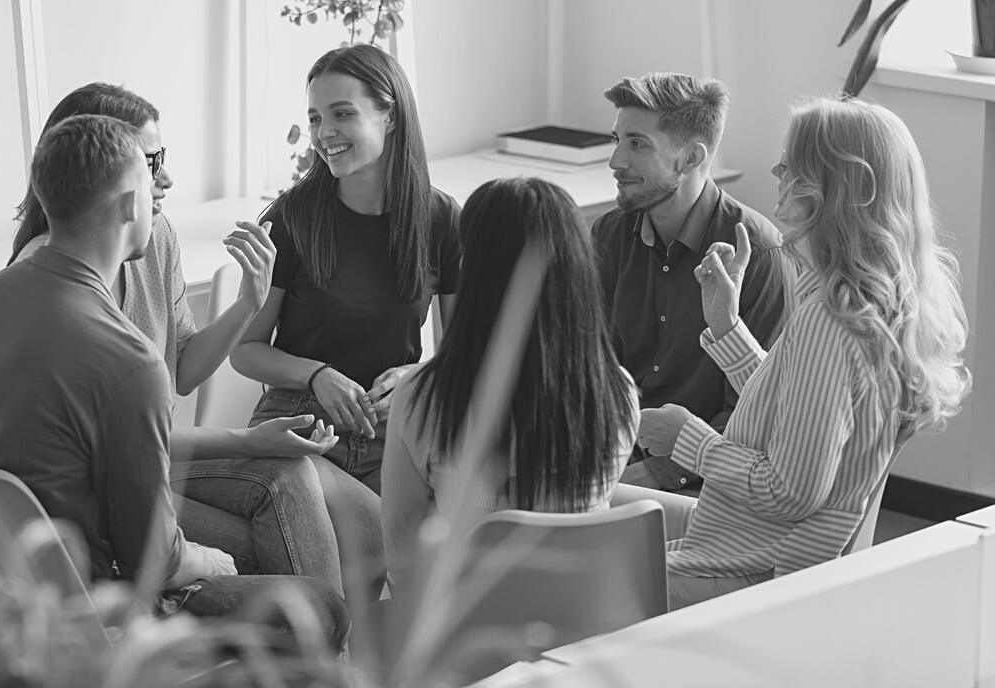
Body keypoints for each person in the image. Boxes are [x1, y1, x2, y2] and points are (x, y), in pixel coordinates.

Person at [0, 114, 347, 643]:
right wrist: (204, 559)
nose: (161, 193)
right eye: (151, 184)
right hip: (89, 612)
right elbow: (154, 562)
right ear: (130, 205)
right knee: (321, 608)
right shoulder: (129, 364)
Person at [9, 84, 374, 602]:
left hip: (152, 460)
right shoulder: (58, 289)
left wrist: (249, 303)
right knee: (279, 520)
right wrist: (249, 441)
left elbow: (179, 370)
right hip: (114, 490)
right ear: (97, 170)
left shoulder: (154, 236)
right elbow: (114, 453)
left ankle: (329, 659)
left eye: (164, 157)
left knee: (358, 523)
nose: (166, 178)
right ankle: (325, 661)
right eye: (150, 160)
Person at [630, 95, 970, 609]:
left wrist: (686, 438)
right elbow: (804, 413)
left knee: (551, 573)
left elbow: (788, 491)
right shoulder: (866, 305)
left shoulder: (830, 320)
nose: (775, 173)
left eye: (788, 164)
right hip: (746, 555)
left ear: (826, 188)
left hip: (747, 575)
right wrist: (726, 325)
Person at [380, 177, 640, 592]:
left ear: (473, 270)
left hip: (470, 639)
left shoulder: (422, 398)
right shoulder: (619, 394)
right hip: (586, 629)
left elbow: (403, 558)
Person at [231, 45, 462, 500]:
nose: (323, 133)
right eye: (316, 118)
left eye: (341, 114)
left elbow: (467, 349)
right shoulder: (292, 217)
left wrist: (417, 378)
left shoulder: (441, 218)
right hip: (302, 422)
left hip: (397, 426)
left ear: (388, 116)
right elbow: (246, 350)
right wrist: (318, 374)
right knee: (365, 531)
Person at [592, 72, 793, 493]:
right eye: (617, 141)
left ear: (691, 157)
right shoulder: (607, 238)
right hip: (616, 471)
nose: (615, 162)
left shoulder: (761, 255)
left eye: (637, 144)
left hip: (710, 488)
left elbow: (756, 411)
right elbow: (593, 374)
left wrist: (651, 477)